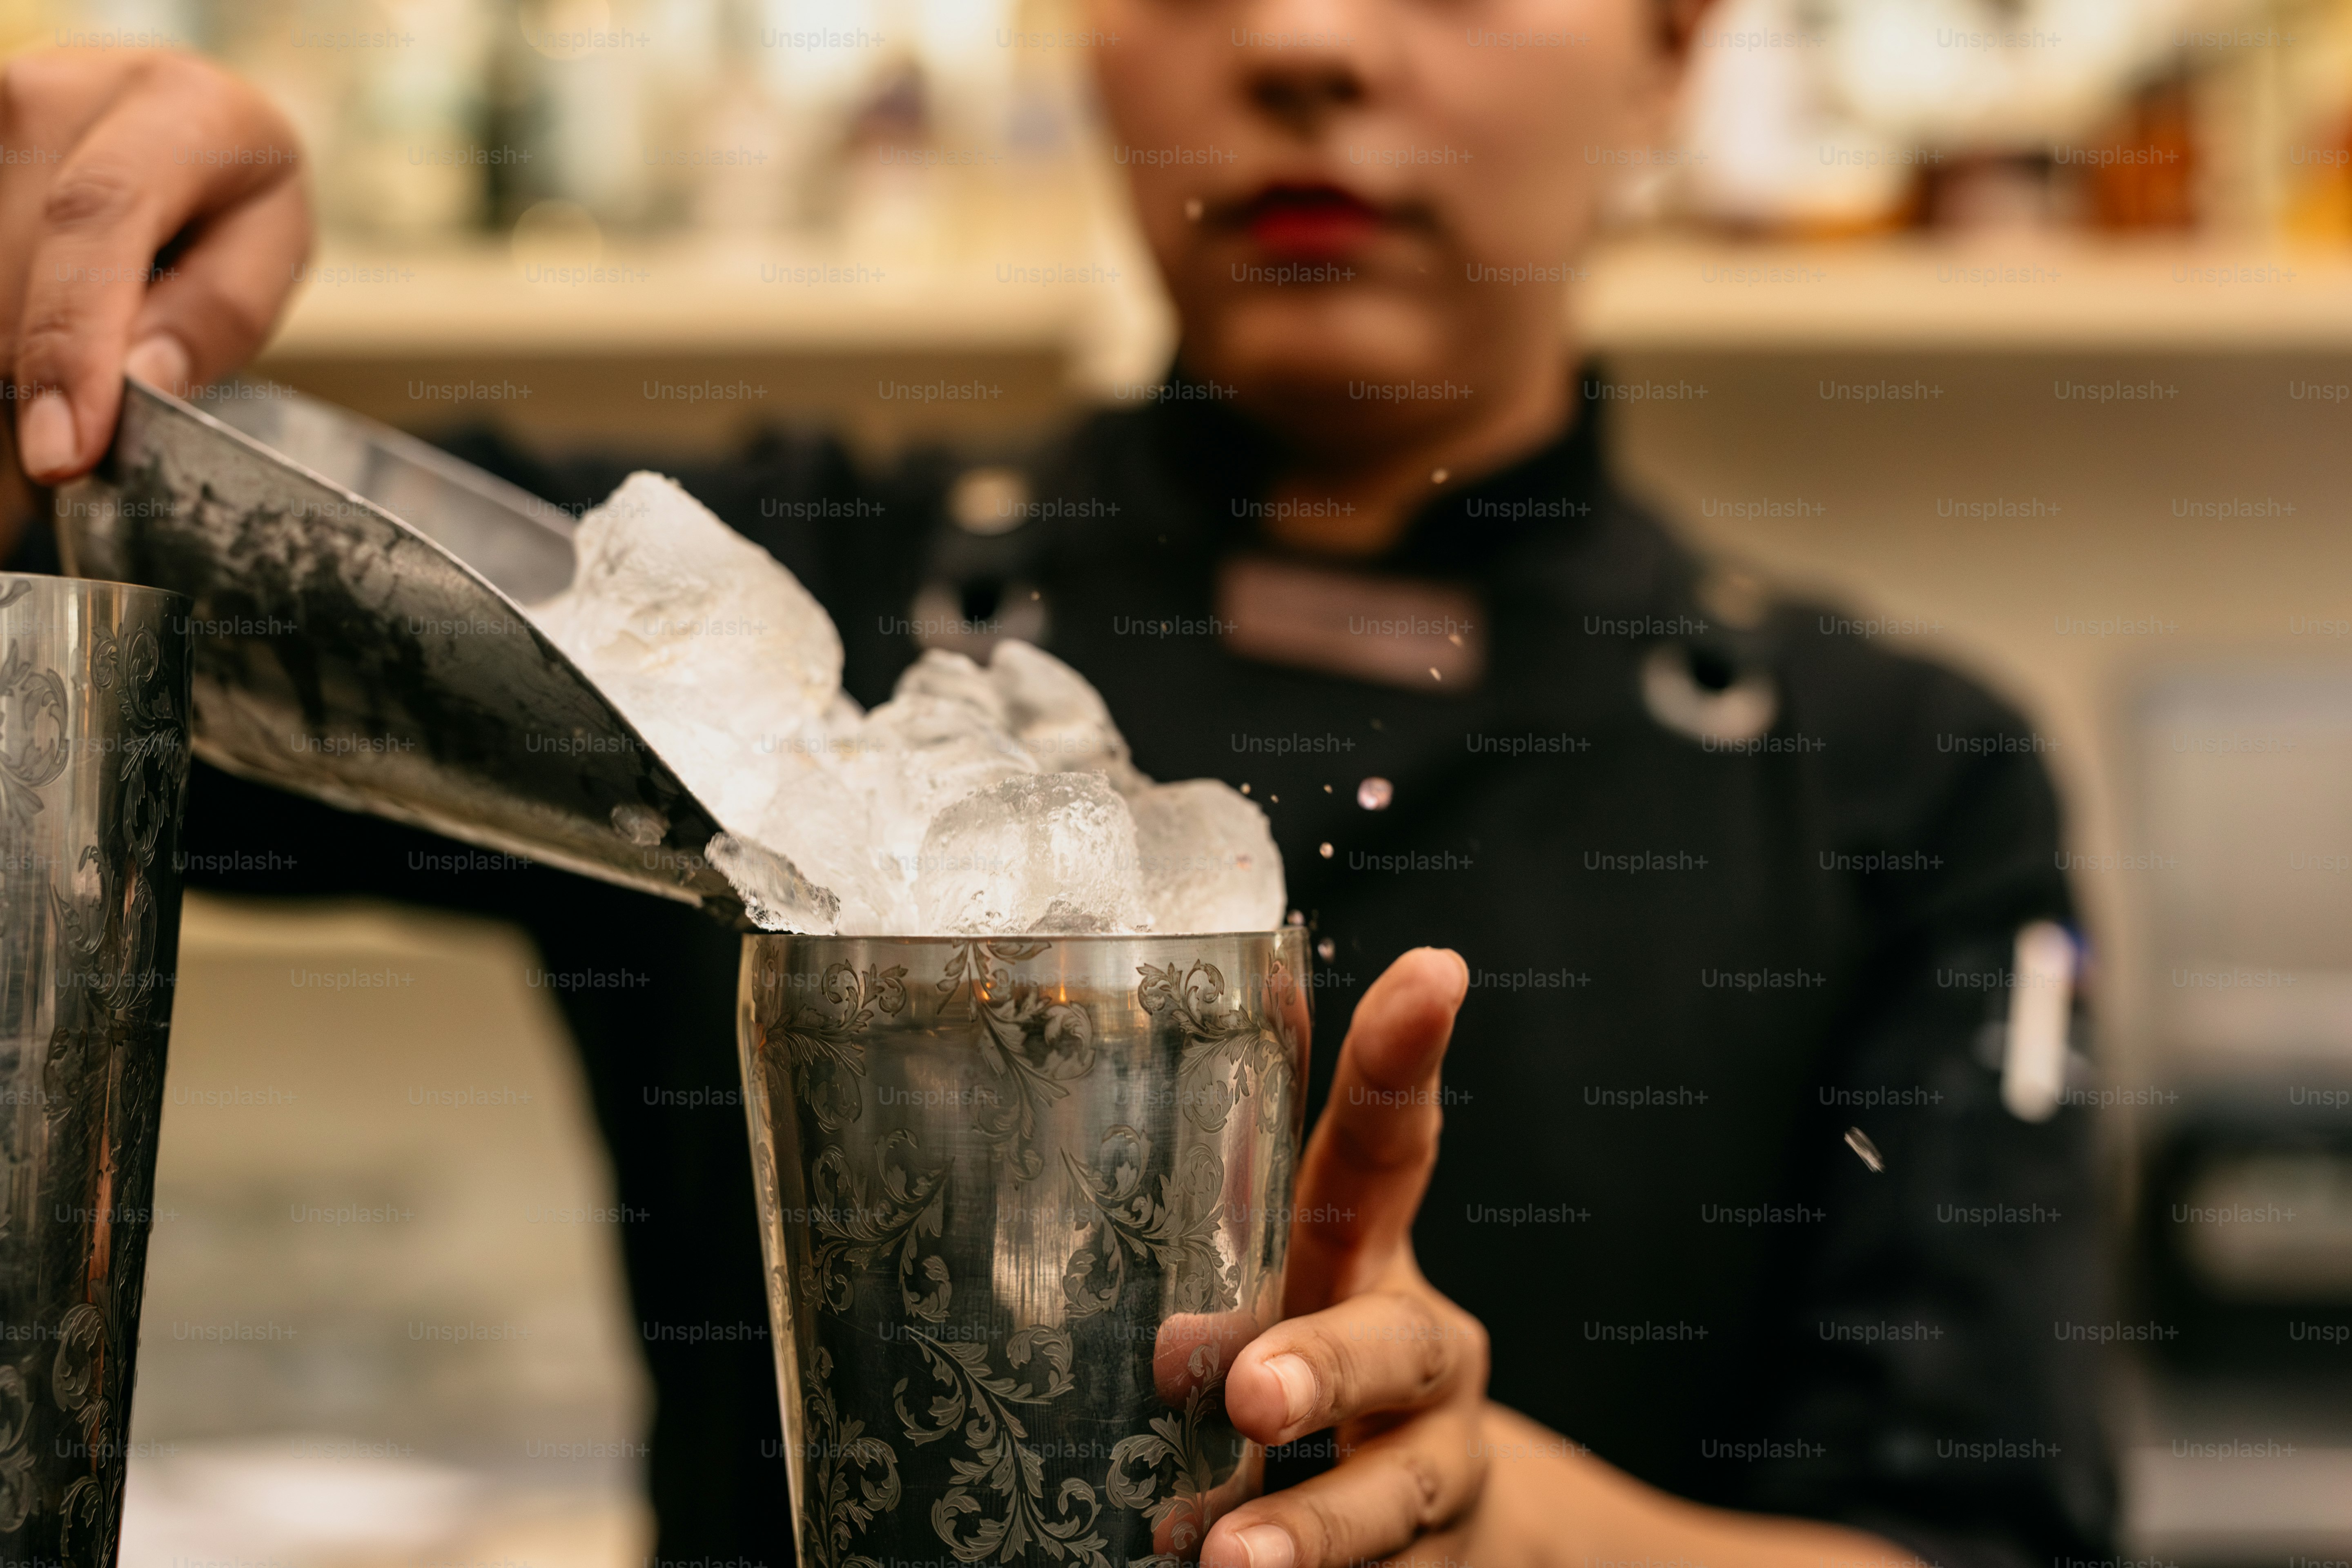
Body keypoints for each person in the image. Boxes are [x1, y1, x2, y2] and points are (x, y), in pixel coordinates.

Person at [0, 1, 2114, 1564]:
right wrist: (68, 326)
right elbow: (118, 582)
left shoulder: (1903, 776)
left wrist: (1511, 1528)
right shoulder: (778, 630)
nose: (1304, 41)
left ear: (1671, 57)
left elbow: (1989, 1537)